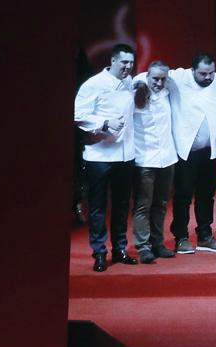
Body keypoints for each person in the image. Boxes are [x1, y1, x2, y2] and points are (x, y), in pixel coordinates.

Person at [73, 43, 136, 272]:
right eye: (124, 63)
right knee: (98, 206)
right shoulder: (94, 84)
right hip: (99, 154)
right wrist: (104, 123)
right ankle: (99, 252)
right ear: (112, 61)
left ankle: (120, 249)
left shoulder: (130, 82)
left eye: (131, 63)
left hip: (125, 154)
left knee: (121, 205)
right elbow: (77, 114)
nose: (128, 67)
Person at [165, 53, 216, 254]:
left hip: (210, 151)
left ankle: (205, 235)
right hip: (185, 151)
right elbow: (150, 76)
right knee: (183, 196)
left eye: (210, 73)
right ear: (192, 70)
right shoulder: (178, 77)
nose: (207, 78)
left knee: (207, 195)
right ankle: (181, 237)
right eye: (203, 74)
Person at [130, 60, 178, 263]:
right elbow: (136, 80)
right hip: (144, 159)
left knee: (161, 204)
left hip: (167, 157)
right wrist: (141, 83)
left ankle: (158, 243)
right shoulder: (136, 93)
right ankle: (143, 246)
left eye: (162, 79)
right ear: (147, 76)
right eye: (155, 78)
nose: (159, 82)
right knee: (143, 205)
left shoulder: (168, 92)